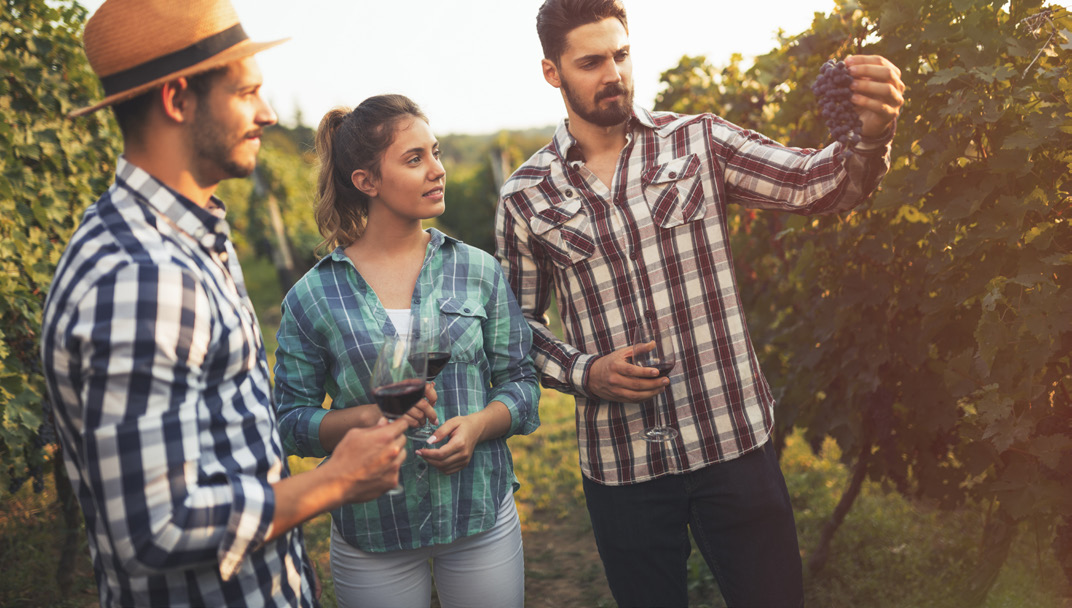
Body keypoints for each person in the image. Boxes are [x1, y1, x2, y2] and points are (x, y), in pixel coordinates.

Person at [494, 0, 906, 606]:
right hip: (623, 463)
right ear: (552, 72)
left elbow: (817, 184)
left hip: (733, 442)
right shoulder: (526, 196)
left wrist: (873, 136)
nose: (613, 73)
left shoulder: (698, 141)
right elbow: (514, 328)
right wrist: (587, 372)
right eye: (590, 62)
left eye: (621, 55)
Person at [39, 1, 416, 605]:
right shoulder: (140, 275)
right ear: (177, 100)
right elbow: (153, 529)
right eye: (246, 93)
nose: (268, 114)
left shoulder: (182, 238)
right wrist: (334, 482)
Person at [272, 94, 541, 608]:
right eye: (414, 159)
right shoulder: (312, 296)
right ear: (366, 181)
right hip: (373, 529)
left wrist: (479, 425)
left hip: (477, 513)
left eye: (435, 152)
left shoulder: (478, 270)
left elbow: (522, 382)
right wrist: (367, 417)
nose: (437, 169)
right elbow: (288, 421)